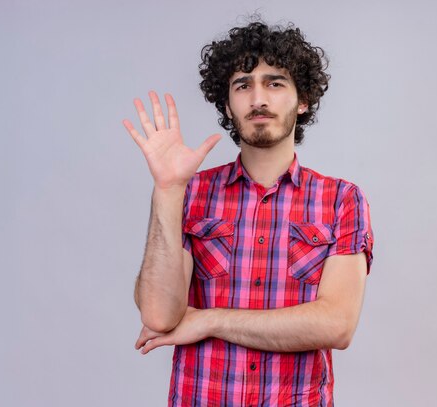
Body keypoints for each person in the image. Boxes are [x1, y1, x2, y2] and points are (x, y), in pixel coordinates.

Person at [123, 20, 374, 407]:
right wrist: (168, 190)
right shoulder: (191, 192)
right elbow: (159, 316)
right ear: (227, 103)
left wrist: (209, 320)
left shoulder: (341, 199)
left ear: (302, 99)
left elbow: (336, 324)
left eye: (275, 83)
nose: (258, 98)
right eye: (243, 85)